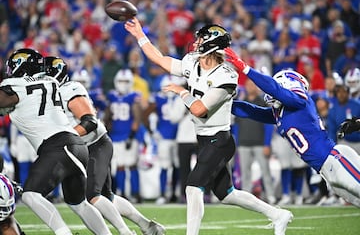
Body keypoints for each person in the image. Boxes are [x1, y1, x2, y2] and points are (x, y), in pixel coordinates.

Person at [125, 18, 293, 235]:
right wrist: (139, 35)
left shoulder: (226, 75)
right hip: (204, 139)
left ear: (212, 44)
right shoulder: (193, 62)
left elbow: (199, 109)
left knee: (193, 187)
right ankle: (277, 214)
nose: (196, 42)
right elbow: (160, 59)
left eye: (201, 38)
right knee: (227, 194)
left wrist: (181, 91)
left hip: (220, 140)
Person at [45, 56, 166, 235]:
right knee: (106, 196)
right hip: (80, 148)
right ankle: (147, 225)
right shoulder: (50, 94)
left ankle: (125, 232)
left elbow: (90, 122)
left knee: (92, 196)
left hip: (95, 144)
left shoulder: (71, 88)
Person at [225, 47, 360, 208]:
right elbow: (252, 111)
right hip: (326, 169)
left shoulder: (299, 101)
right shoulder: (281, 112)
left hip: (334, 159)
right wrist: (224, 103)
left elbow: (274, 89)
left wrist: (244, 68)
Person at [0, 48, 112, 235]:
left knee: (30, 195)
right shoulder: (50, 81)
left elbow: (9, 99)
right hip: (76, 145)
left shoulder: (14, 85)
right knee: (78, 203)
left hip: (56, 146)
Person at [142, 75, 184, 204]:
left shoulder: (180, 98)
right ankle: (162, 194)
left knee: (177, 166)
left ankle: (174, 193)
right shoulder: (159, 99)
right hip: (165, 138)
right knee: (165, 166)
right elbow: (145, 114)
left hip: (178, 137)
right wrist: (152, 131)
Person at [103, 68, 143, 204]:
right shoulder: (112, 96)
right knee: (119, 166)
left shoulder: (134, 96)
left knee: (131, 165)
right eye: (121, 81)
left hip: (128, 136)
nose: (123, 83)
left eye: (126, 81)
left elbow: (137, 118)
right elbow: (107, 117)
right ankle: (122, 193)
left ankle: (136, 193)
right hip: (115, 136)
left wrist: (131, 136)